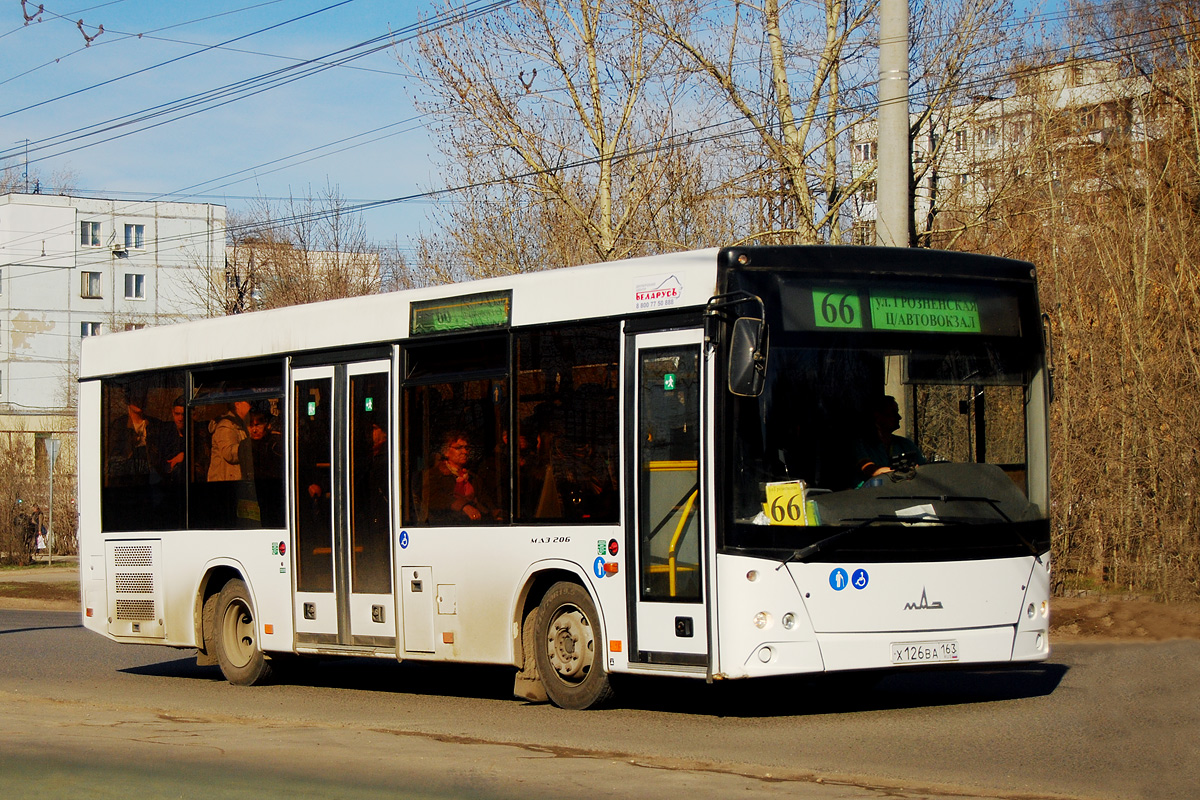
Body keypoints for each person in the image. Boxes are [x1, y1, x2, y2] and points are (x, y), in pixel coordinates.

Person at [420, 430, 499, 524]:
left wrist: (497, 515)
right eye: (459, 448)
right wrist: (463, 506)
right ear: (446, 452)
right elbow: (433, 499)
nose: (465, 452)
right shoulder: (434, 475)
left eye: (466, 448)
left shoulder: (474, 478)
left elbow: (486, 501)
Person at [854, 394, 926, 482]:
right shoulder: (860, 444)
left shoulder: (906, 444)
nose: (899, 417)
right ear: (877, 416)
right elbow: (870, 470)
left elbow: (924, 469)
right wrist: (902, 472)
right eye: (893, 413)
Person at [207, 400, 251, 482]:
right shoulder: (226, 425)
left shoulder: (241, 424)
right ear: (237, 404)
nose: (250, 407)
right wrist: (249, 446)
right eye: (248, 403)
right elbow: (229, 453)